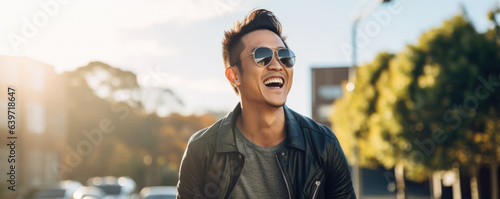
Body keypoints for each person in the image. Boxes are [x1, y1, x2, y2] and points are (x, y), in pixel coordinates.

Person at [176, 9, 356, 199]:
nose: (277, 65)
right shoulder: (202, 150)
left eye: (284, 56)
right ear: (234, 75)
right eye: (262, 56)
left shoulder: (323, 145)